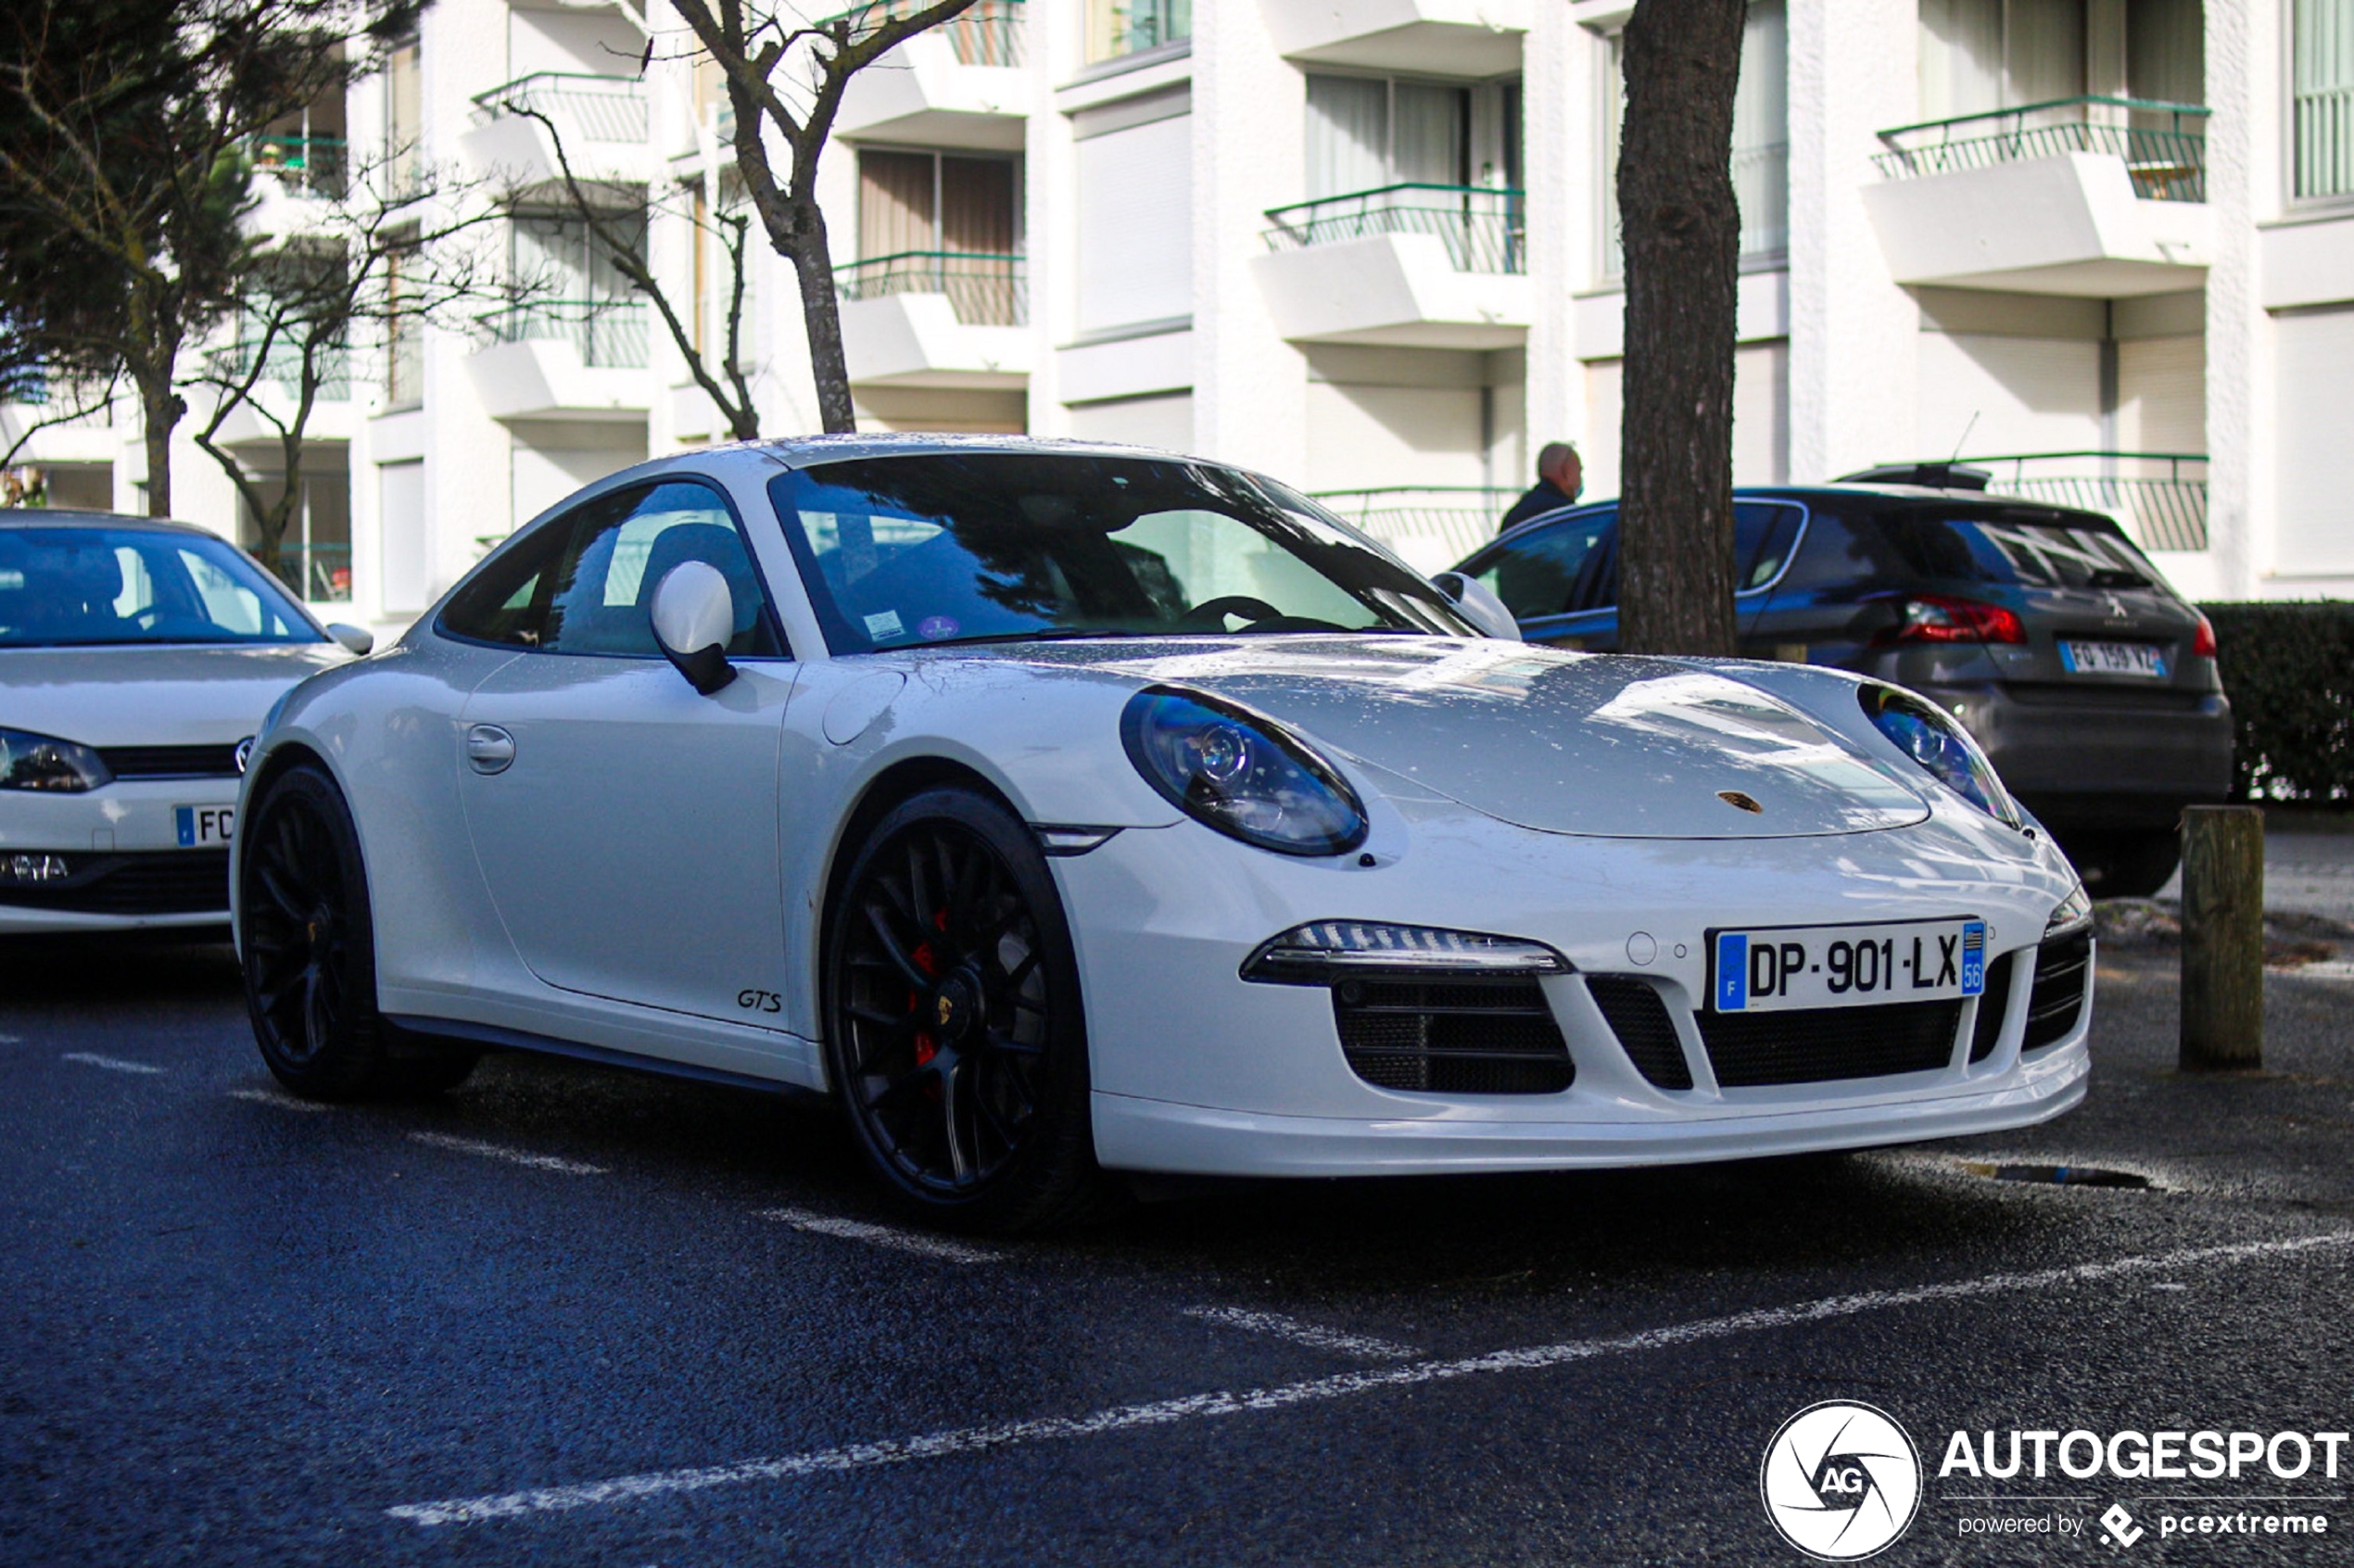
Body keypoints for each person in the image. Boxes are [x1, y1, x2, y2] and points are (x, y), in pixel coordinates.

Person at [1498, 442, 1582, 533]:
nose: (1580, 478)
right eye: (1579, 471)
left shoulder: (1516, 513)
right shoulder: (1565, 515)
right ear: (1567, 471)